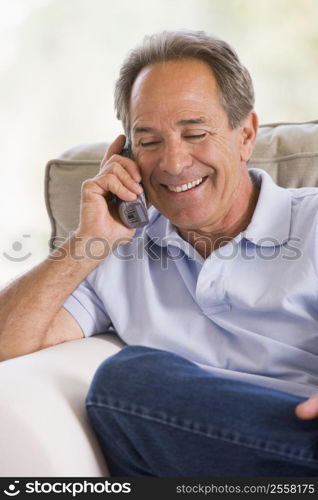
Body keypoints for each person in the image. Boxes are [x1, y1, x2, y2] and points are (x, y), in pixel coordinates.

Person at [1, 30, 318, 477]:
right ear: (126, 152)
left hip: (300, 439)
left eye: (194, 133)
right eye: (149, 141)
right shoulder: (111, 252)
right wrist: (88, 239)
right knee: (131, 383)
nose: (172, 162)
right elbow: (6, 346)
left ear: (245, 134)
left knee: (127, 385)